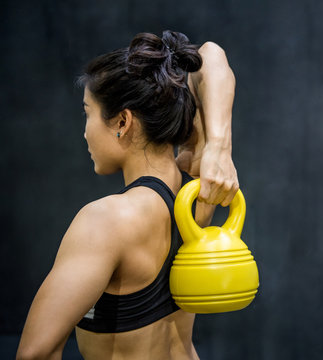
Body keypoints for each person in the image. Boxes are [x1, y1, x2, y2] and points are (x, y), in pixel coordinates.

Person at [16, 30, 238, 360]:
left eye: (87, 113)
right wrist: (218, 149)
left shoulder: (108, 221)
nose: (85, 131)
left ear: (122, 120)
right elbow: (212, 55)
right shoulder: (195, 201)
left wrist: (216, 150)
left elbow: (35, 354)